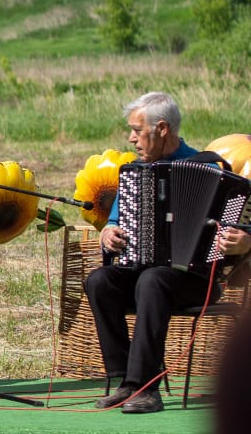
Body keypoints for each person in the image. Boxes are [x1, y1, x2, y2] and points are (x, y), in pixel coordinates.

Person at [86, 91, 251, 414]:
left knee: (153, 279)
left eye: (137, 130)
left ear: (161, 128)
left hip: (196, 280)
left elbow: (243, 228)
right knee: (100, 281)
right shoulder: (135, 173)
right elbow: (115, 221)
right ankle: (125, 381)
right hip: (145, 277)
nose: (131, 138)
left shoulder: (215, 170)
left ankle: (147, 388)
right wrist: (109, 233)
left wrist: (245, 242)